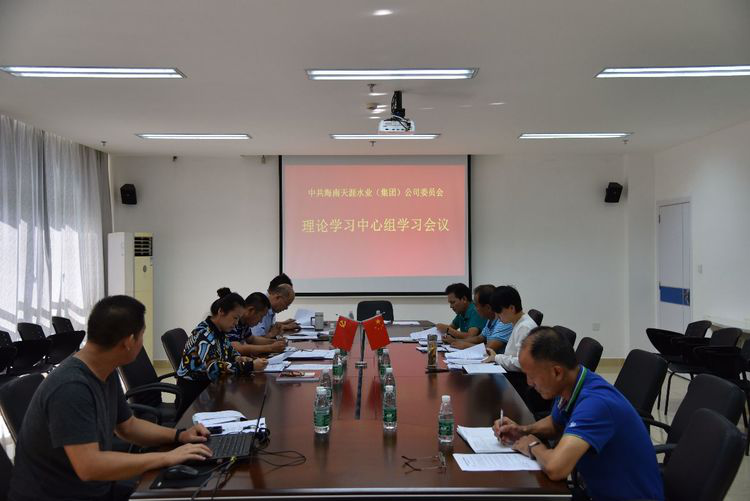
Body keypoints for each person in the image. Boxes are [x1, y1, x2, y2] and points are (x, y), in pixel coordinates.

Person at [8, 295, 213, 501]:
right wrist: (166, 458)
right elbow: (89, 467)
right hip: (60, 495)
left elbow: (128, 427)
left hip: (93, 488)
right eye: (142, 335)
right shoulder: (71, 387)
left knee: (187, 489)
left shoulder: (104, 369)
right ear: (129, 342)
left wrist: (179, 436)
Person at [493, 327, 664, 501]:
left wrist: (532, 445)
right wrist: (523, 430)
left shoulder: (595, 404)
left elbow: (556, 468)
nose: (529, 383)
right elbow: (555, 423)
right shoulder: (574, 382)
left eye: (532, 376)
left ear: (557, 372)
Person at [176, 290, 268, 416]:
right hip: (195, 399)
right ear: (221, 312)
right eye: (235, 318)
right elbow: (214, 368)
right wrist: (250, 366)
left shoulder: (219, 331)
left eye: (238, 319)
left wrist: (239, 359)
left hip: (210, 390)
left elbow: (231, 351)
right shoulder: (204, 334)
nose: (236, 324)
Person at [483, 285, 537, 371]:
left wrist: (496, 358)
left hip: (517, 377)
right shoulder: (517, 323)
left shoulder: (524, 327)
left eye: (499, 312)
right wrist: (496, 357)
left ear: (511, 308)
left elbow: (522, 363)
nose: (497, 317)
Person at [448, 284, 512, 352]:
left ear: (488, 307)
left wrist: (465, 345)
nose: (475, 309)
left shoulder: (503, 322)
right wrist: (455, 341)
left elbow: (489, 349)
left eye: (476, 305)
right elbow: (479, 338)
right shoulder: (491, 319)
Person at [224, 289, 286, 356]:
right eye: (261, 316)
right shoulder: (233, 322)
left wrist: (274, 342)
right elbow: (236, 348)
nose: (261, 321)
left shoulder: (245, 322)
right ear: (251, 310)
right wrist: (270, 348)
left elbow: (252, 339)